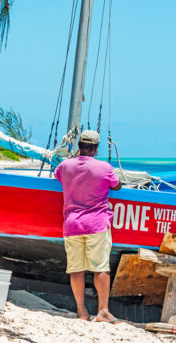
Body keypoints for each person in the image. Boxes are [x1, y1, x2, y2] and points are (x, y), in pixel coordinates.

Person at [54, 130, 122, 323]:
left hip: (72, 224)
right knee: (100, 268)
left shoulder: (65, 166)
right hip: (96, 224)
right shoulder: (104, 167)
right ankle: (103, 311)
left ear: (79, 146)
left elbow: (58, 175)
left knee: (76, 269)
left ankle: (82, 311)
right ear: (96, 148)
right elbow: (116, 186)